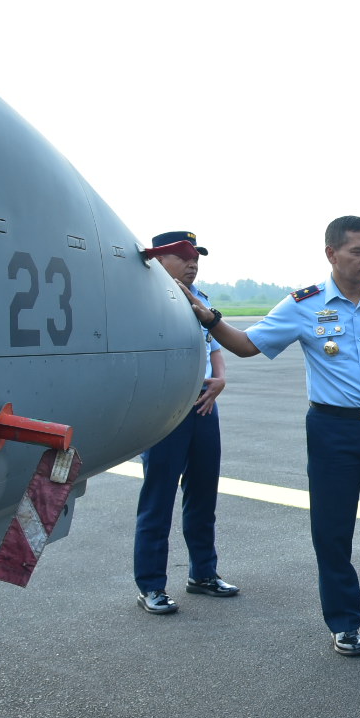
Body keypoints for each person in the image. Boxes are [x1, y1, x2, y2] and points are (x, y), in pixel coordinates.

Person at [188, 216, 360, 658]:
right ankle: (344, 625)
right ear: (331, 254)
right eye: (358, 251)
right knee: (332, 532)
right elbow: (247, 345)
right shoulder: (304, 304)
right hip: (331, 430)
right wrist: (211, 319)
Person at [132, 231, 239, 614]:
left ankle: (203, 573)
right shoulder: (144, 301)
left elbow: (215, 346)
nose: (193, 262)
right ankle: (150, 585)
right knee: (158, 498)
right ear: (158, 259)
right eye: (183, 256)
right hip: (166, 411)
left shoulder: (202, 300)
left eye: (196, 256)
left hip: (204, 408)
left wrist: (220, 377)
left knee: (203, 494)